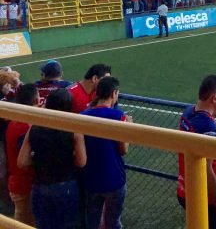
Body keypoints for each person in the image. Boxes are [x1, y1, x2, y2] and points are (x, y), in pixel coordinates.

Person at [17, 88, 87, 229]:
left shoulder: (34, 127)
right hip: (65, 186)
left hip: (40, 185)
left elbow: (22, 162)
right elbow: (81, 162)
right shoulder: (74, 130)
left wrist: (40, 159)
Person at [178, 75, 216, 228]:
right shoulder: (209, 128)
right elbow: (206, 170)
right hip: (204, 197)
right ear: (214, 98)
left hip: (184, 189)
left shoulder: (188, 113)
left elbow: (200, 121)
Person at [81, 76, 132, 229]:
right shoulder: (119, 117)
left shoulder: (83, 116)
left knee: (92, 221)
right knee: (113, 222)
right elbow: (123, 150)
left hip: (90, 179)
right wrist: (129, 129)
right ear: (113, 93)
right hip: (114, 179)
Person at [5, 84, 39, 225]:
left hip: (19, 183)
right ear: (36, 101)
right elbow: (25, 161)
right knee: (24, 222)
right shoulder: (24, 126)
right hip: (24, 185)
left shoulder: (15, 121)